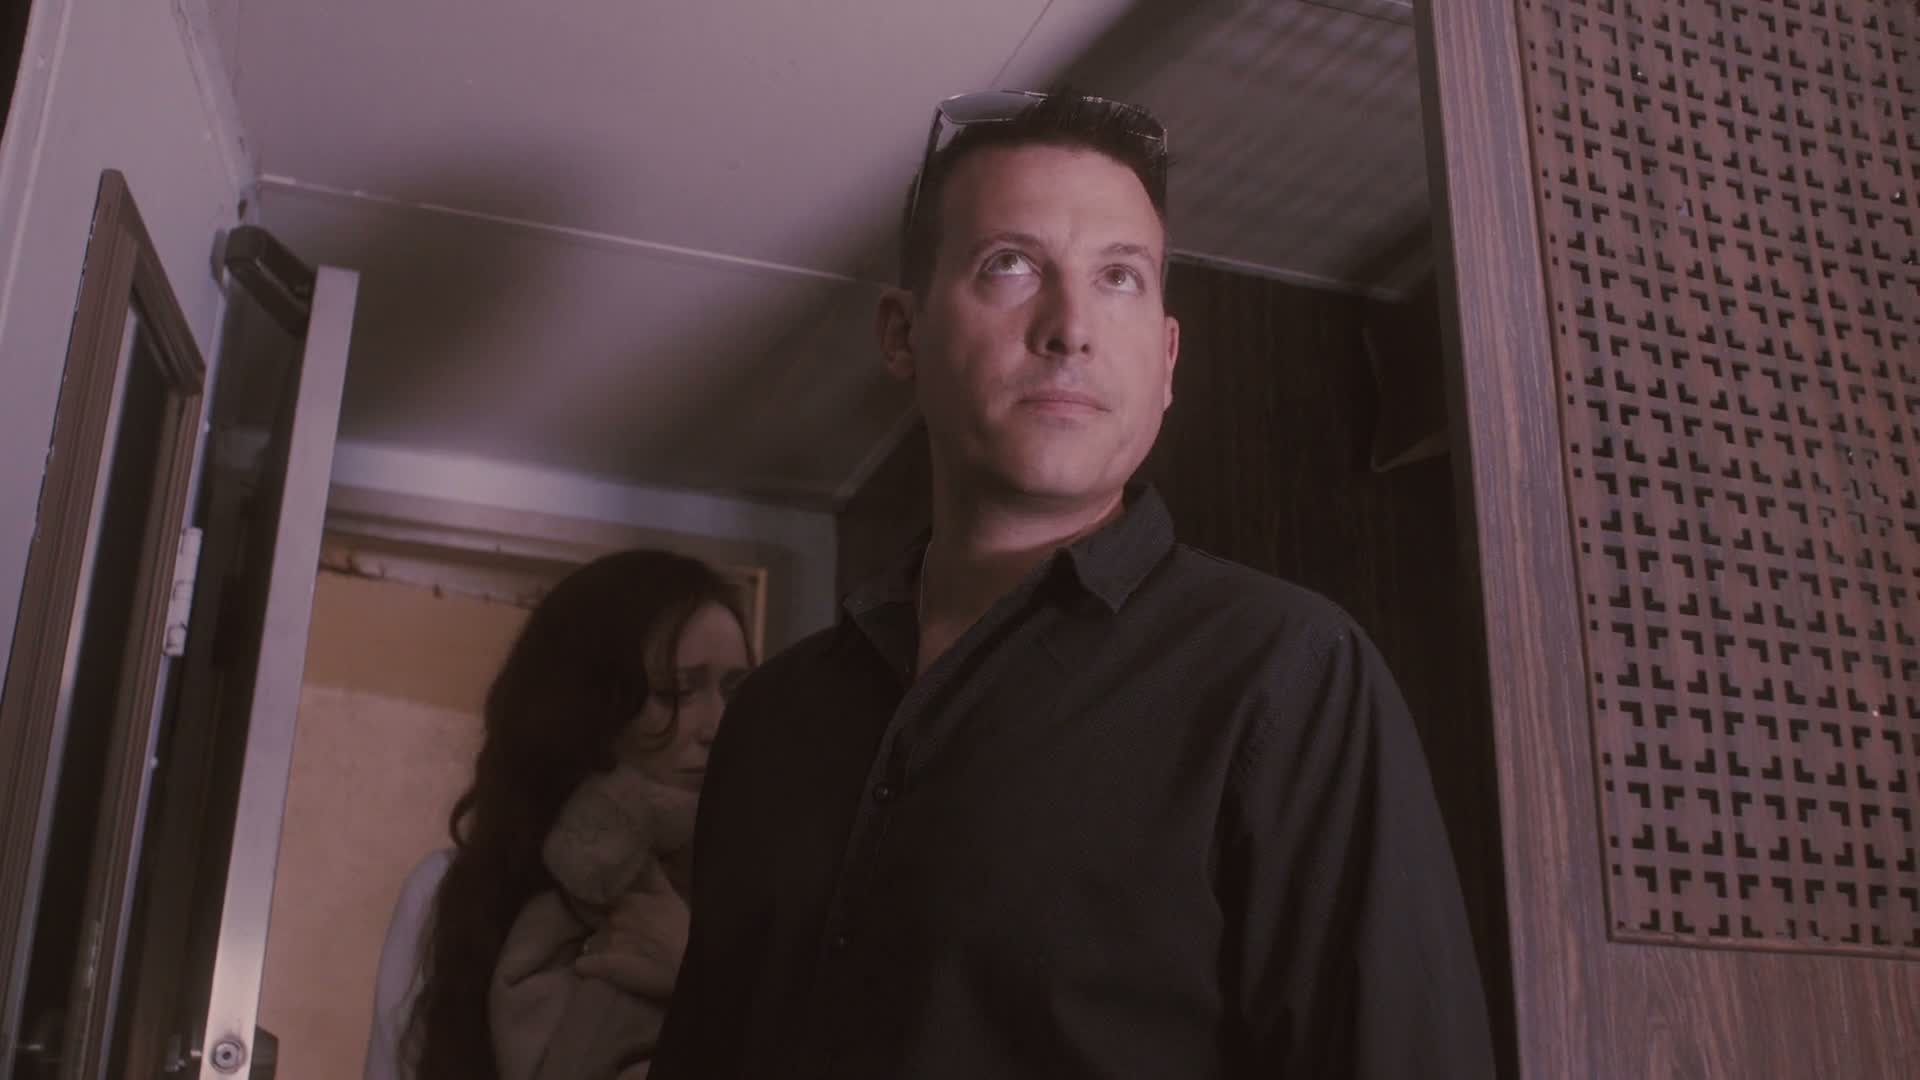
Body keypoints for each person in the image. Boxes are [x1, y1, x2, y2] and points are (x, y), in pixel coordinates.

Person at [650, 90, 1496, 1078]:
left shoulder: (1288, 676)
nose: (1072, 327)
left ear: (1167, 361)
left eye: (1120, 277)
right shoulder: (771, 722)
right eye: (1010, 265)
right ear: (901, 334)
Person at [363, 549, 753, 1080]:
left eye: (737, 691)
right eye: (676, 692)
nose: (717, 723)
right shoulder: (454, 894)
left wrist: (700, 972)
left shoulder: (768, 896)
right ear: (592, 708)